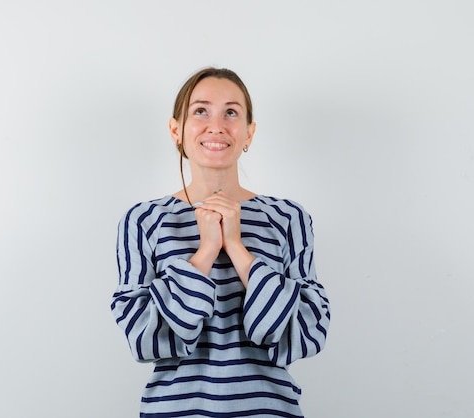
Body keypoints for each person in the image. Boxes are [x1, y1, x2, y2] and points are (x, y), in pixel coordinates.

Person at [110, 67, 330, 417]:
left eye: (231, 112)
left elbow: (306, 332)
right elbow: (144, 339)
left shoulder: (289, 217)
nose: (216, 125)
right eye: (200, 111)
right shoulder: (143, 220)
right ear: (176, 130)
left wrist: (238, 249)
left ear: (248, 133)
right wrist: (207, 251)